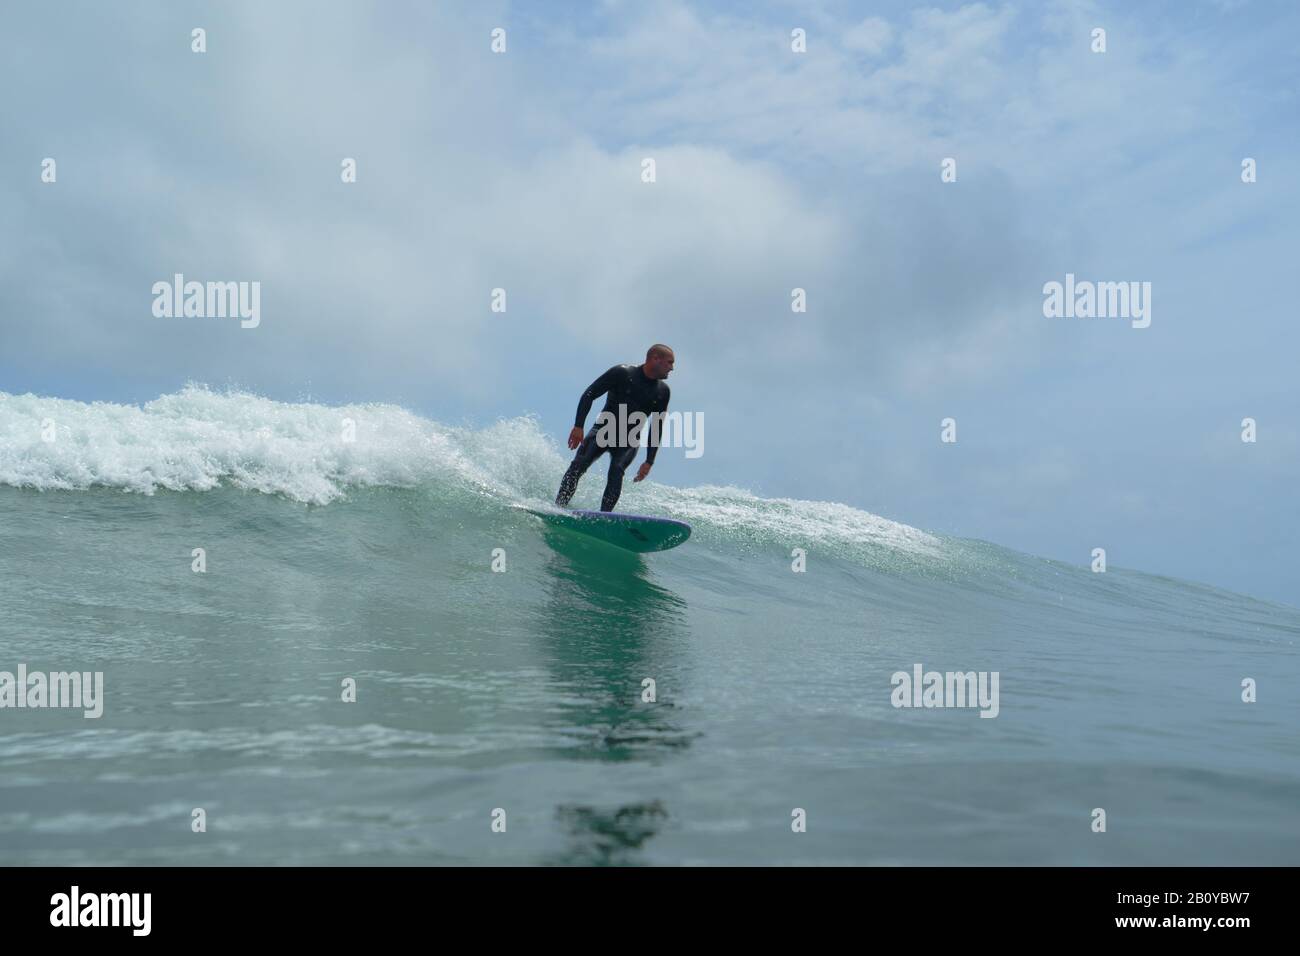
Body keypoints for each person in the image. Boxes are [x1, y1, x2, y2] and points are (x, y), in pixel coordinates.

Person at [555, 344, 674, 512]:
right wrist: (578, 426)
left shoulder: (663, 391)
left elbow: (657, 427)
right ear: (655, 359)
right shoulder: (622, 373)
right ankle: (559, 507)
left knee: (617, 470)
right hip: (603, 431)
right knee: (578, 465)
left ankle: (605, 518)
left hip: (629, 440)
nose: (672, 368)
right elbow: (590, 393)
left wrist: (649, 461)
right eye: (669, 363)